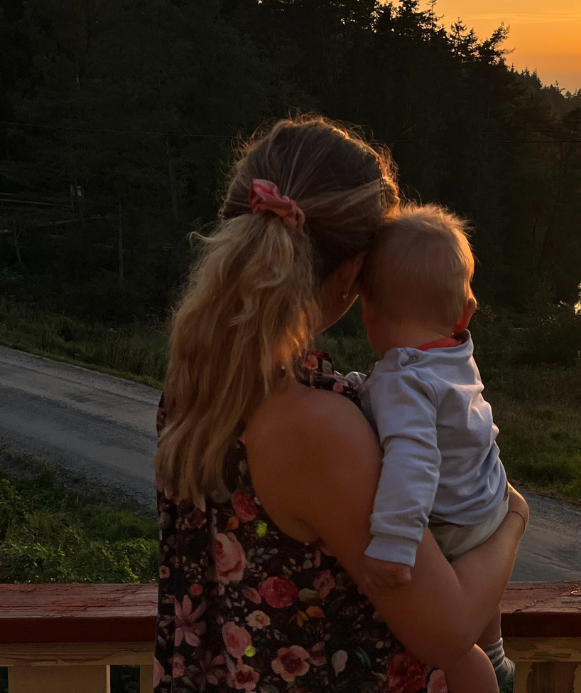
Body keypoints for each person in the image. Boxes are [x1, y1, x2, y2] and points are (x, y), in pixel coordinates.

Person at [152, 115, 528, 693]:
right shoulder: (316, 425)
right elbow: (447, 630)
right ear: (354, 272)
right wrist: (514, 519)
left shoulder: (202, 379)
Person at [349, 205, 513, 691]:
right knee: (483, 599)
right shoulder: (456, 354)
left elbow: (414, 460)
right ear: (466, 314)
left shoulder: (404, 380)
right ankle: (498, 645)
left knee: (450, 640)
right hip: (490, 499)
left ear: (367, 311)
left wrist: (395, 544)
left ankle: (488, 673)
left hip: (450, 521)